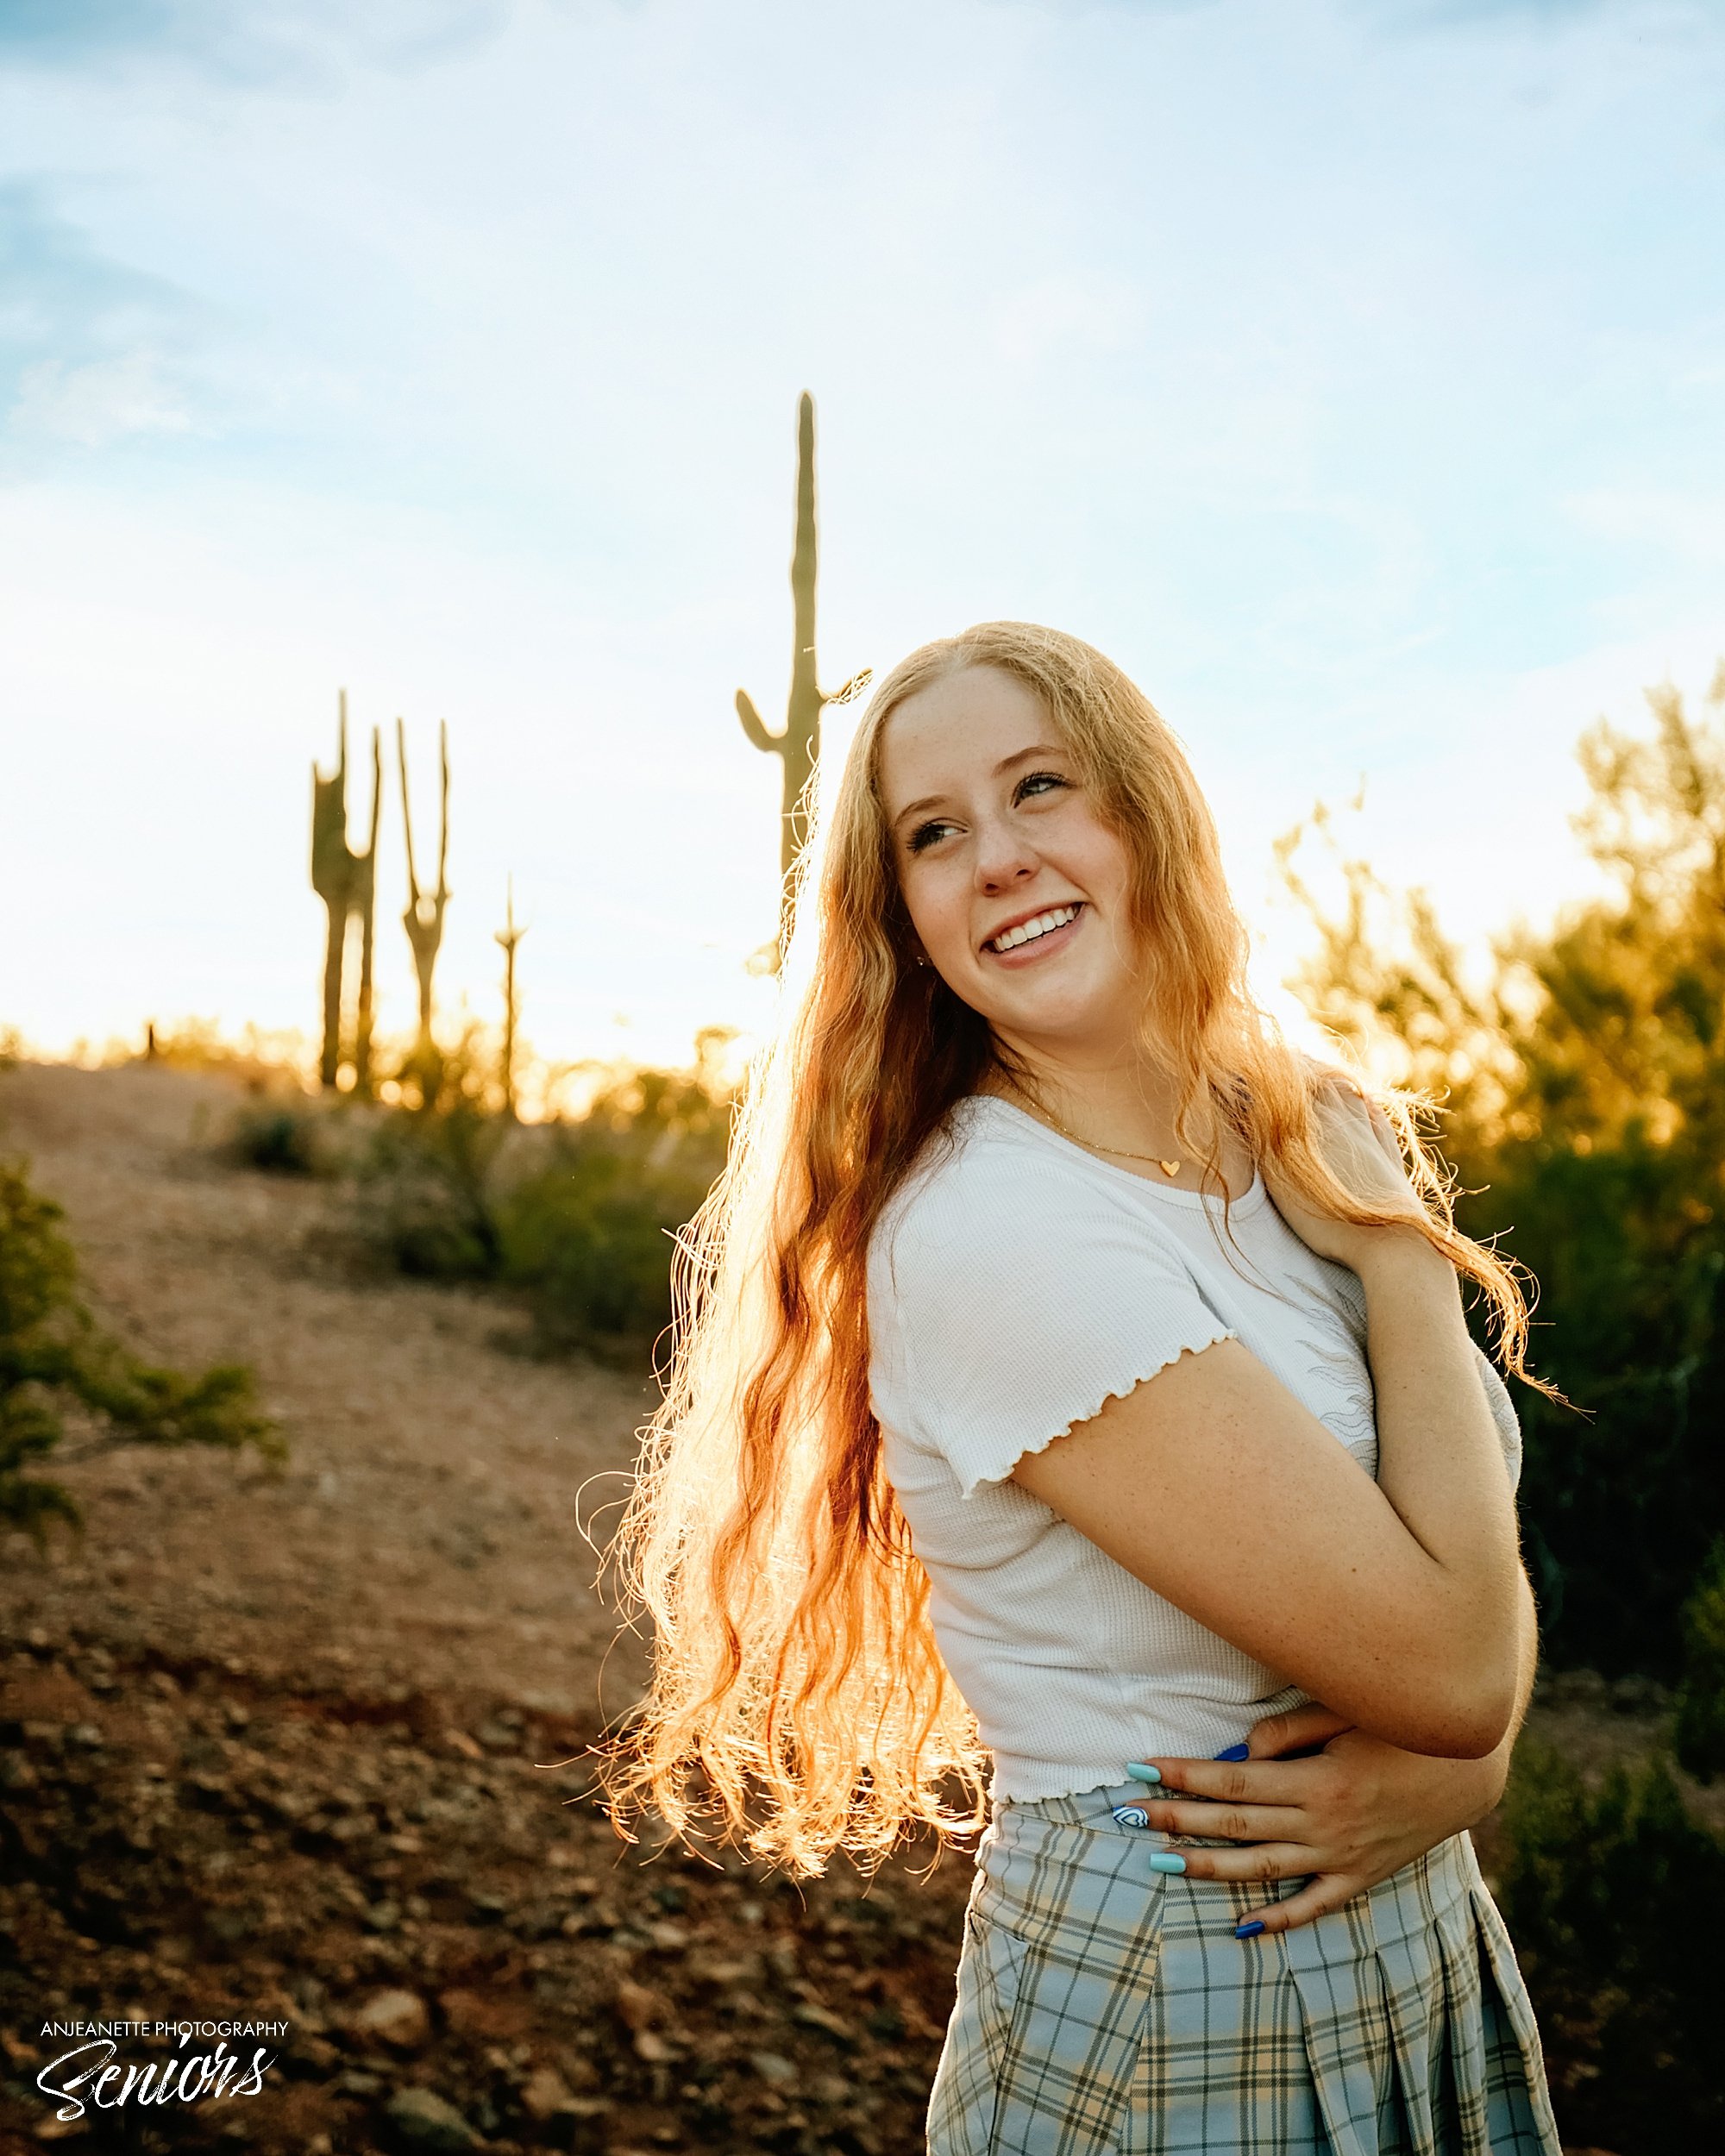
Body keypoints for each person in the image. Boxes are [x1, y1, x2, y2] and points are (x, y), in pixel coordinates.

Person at [603, 621, 1560, 2154]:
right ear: (903, 917)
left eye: (1038, 787)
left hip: (1407, 1933)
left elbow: (1463, 1616)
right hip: (1189, 1974)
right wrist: (1400, 1262)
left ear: (1142, 810)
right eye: (934, 833)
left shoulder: (1284, 1135)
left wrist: (1459, 1778)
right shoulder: (996, 1230)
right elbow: (1452, 1666)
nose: (996, 857)